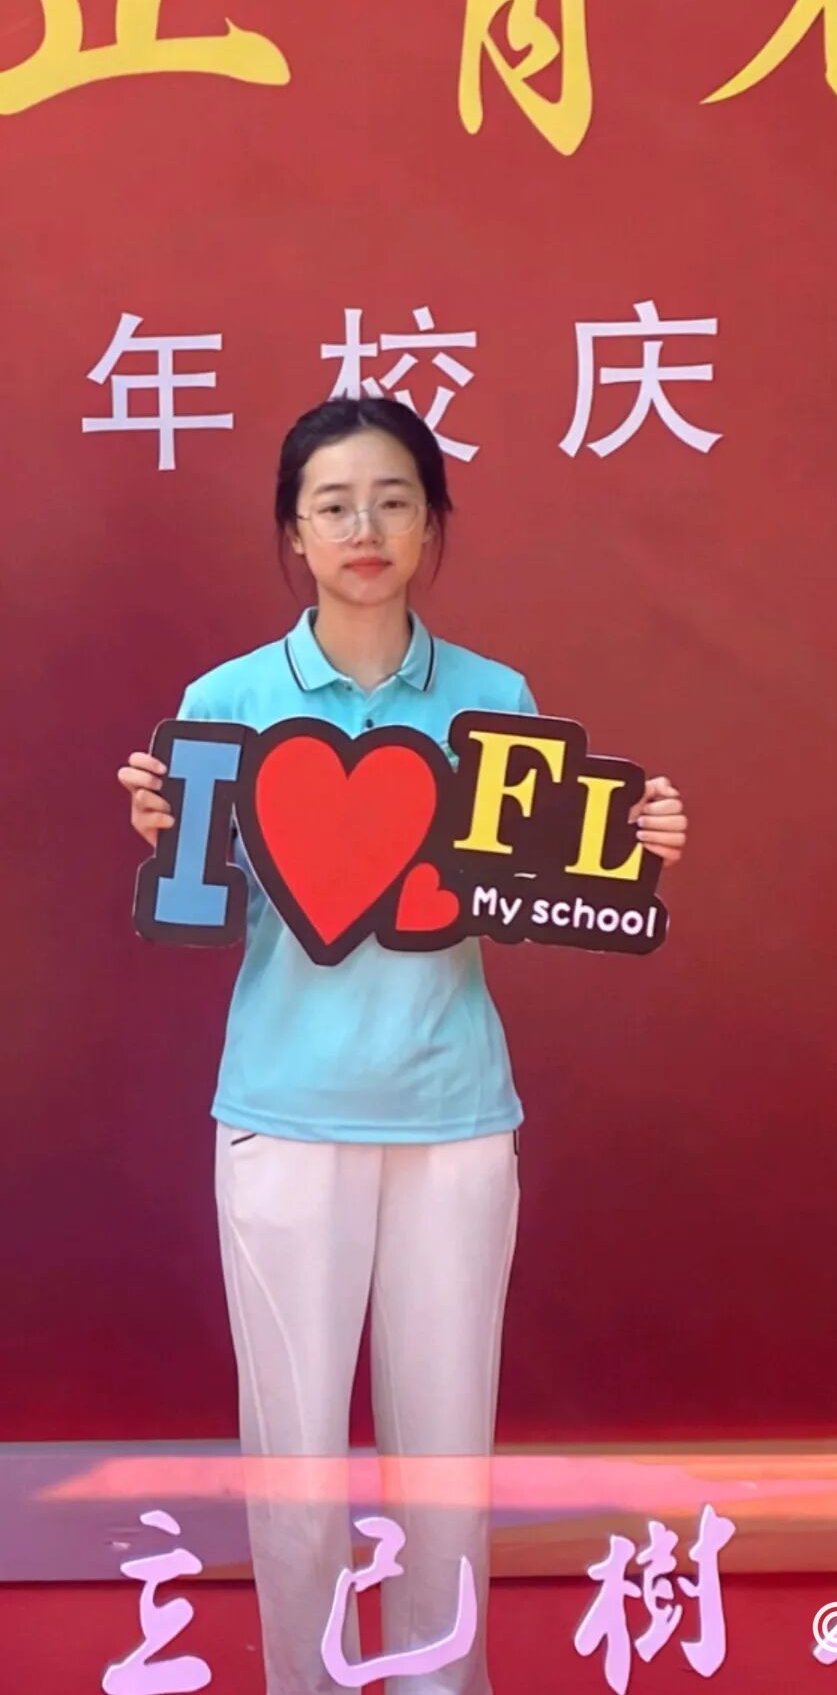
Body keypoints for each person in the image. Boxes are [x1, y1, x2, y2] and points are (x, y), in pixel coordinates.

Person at [117, 398, 687, 1695]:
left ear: (432, 525)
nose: (364, 527)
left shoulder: (495, 700)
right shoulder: (227, 703)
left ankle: (445, 1680)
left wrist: (627, 849)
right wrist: (170, 834)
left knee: (444, 1456)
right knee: (296, 1460)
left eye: (393, 500)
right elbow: (213, 905)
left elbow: (535, 892)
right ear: (294, 533)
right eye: (333, 504)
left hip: (454, 1117)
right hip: (285, 1116)